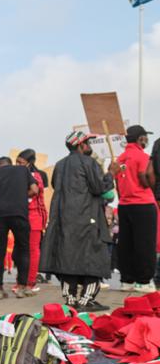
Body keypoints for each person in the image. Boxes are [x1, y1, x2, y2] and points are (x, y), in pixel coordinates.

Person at [40, 131, 115, 311]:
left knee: (67, 259)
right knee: (94, 259)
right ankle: (86, 301)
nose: (90, 147)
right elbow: (99, 188)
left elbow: (57, 186)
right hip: (87, 220)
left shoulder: (59, 165)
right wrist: (111, 173)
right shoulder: (88, 162)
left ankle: (70, 300)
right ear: (81, 145)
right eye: (88, 143)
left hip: (64, 221)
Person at [0, 156, 37, 299]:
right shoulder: (22, 170)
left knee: (0, 251)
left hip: (1, 215)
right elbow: (35, 189)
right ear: (11, 164)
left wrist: (1, 196)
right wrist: (19, 196)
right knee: (24, 249)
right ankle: (22, 287)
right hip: (20, 213)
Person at [113, 125, 157, 293]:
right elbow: (144, 178)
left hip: (124, 205)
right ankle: (144, 281)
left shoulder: (120, 158)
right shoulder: (142, 156)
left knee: (126, 244)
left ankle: (127, 280)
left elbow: (117, 184)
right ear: (140, 139)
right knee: (145, 244)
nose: (147, 140)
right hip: (143, 204)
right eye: (145, 137)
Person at [16, 149, 49, 292]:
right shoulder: (18, 174)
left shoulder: (36, 176)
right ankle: (21, 281)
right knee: (20, 250)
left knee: (32, 250)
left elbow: (35, 191)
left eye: (21, 162)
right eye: (16, 162)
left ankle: (30, 282)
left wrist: (18, 196)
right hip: (21, 216)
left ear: (30, 163)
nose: (17, 165)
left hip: (34, 216)